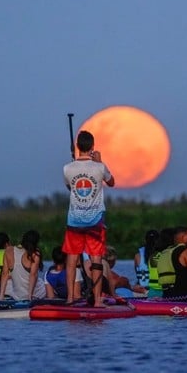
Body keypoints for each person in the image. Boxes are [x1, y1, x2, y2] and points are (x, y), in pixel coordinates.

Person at [62, 130, 115, 306]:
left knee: (72, 259)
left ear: (78, 147)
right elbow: (112, 182)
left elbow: (70, 188)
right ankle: (98, 300)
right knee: (96, 259)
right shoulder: (100, 167)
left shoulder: (67, 168)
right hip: (95, 221)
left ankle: (70, 298)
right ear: (92, 147)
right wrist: (99, 162)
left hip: (74, 220)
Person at [0, 229, 47, 301]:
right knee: (47, 283)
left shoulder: (8, 251)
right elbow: (33, 275)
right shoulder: (35, 254)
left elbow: (4, 274)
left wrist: (1, 297)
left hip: (17, 296)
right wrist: (29, 297)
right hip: (37, 293)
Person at [133, 229, 160, 294]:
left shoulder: (137, 256)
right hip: (156, 290)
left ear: (145, 240)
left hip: (141, 290)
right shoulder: (161, 254)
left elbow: (137, 274)